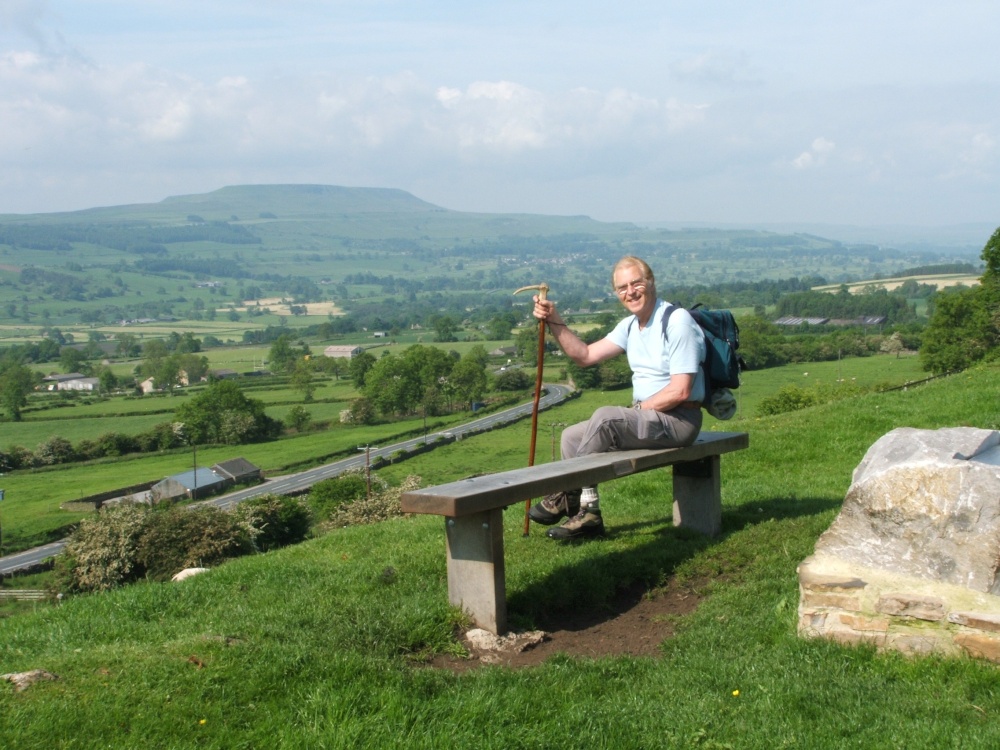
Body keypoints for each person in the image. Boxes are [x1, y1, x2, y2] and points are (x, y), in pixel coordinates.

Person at [528, 255, 707, 540]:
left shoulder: (676, 321)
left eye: (636, 283)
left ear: (651, 283)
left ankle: (565, 493)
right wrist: (553, 319)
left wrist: (639, 408)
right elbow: (584, 356)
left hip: (679, 419)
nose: (630, 292)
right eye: (622, 287)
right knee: (571, 437)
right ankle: (588, 512)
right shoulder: (630, 326)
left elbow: (681, 390)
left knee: (606, 417)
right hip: (652, 417)